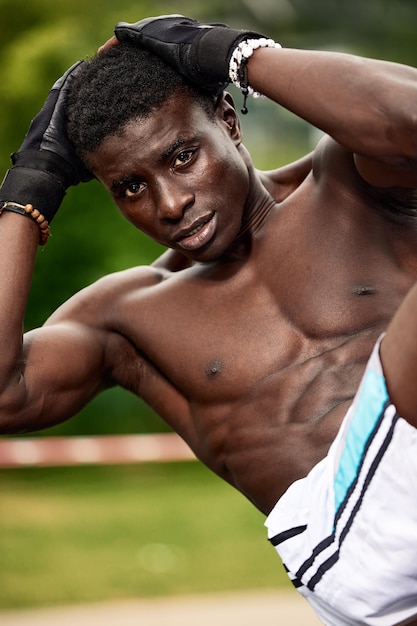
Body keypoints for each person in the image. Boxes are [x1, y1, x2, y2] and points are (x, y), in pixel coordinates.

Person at [0, 14, 417, 625]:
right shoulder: (128, 314)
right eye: (131, 188)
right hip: (352, 549)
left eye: (183, 156)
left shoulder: (350, 183)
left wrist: (226, 51)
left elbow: (405, 122)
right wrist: (29, 188)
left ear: (228, 121)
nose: (170, 203)